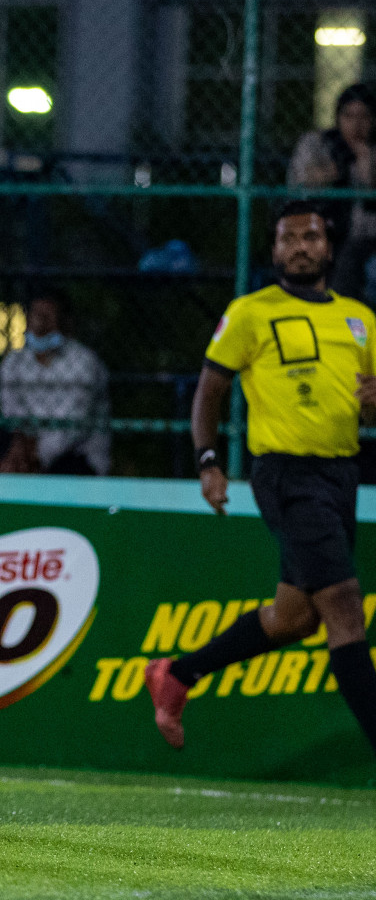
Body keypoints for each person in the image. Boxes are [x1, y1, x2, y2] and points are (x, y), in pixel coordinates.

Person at [147, 200, 376, 759]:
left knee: (295, 618)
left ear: (328, 246)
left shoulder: (361, 318)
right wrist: (208, 460)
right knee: (345, 606)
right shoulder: (251, 312)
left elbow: (369, 410)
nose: (300, 246)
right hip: (286, 474)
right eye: (288, 238)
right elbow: (211, 390)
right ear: (274, 249)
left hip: (341, 473)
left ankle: (178, 674)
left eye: (311, 236)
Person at [0, 291, 111, 475]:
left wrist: (37, 456)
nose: (40, 325)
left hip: (76, 455)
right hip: (24, 449)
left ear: (65, 323)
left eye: (47, 318)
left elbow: (73, 427)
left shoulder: (84, 362)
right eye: (36, 316)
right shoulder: (14, 362)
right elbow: (11, 413)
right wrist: (22, 449)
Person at [290, 83, 375, 301]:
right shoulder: (319, 143)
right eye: (349, 116)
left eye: (364, 116)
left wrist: (366, 164)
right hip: (321, 225)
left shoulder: (371, 151)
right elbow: (303, 180)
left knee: (351, 259)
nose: (357, 124)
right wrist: (341, 166)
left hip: (363, 237)